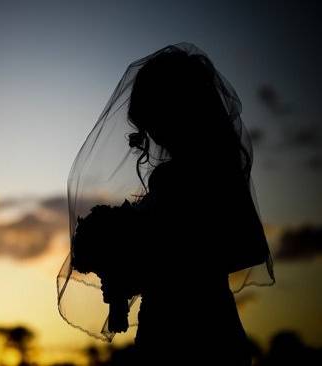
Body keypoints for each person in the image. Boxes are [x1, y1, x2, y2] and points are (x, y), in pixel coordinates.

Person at [57, 43, 274, 365]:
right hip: (195, 322)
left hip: (190, 330)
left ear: (180, 110)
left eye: (154, 116)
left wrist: (146, 262)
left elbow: (238, 249)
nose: (151, 134)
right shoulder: (214, 171)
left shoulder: (192, 175)